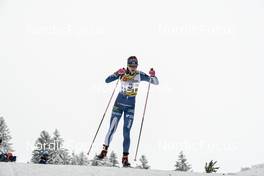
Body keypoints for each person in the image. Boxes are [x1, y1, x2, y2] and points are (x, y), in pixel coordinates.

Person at [97, 56, 159, 167]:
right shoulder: (122, 72)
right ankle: (104, 150)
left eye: (135, 66)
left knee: (126, 131)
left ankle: (125, 158)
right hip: (118, 105)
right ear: (127, 65)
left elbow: (155, 82)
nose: (133, 68)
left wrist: (153, 75)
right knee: (112, 128)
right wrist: (116, 74)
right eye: (131, 66)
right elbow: (107, 80)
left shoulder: (140, 74)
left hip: (130, 107)